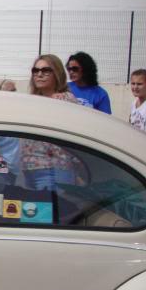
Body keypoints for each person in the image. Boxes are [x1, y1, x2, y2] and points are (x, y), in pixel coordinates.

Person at [21, 55, 83, 190]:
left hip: (54, 168)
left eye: (45, 70)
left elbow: (77, 133)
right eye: (35, 71)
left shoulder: (64, 99)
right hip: (30, 169)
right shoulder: (34, 100)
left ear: (57, 73)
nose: (39, 74)